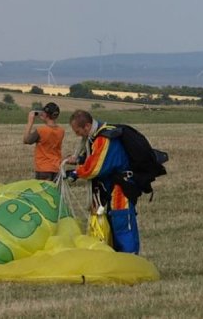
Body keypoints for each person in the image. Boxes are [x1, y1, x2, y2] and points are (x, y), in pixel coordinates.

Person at [67, 109, 140, 254]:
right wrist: (80, 160)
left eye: (78, 131)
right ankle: (117, 256)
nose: (77, 135)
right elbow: (95, 157)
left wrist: (76, 173)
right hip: (111, 187)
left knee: (122, 221)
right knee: (113, 221)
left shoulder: (103, 138)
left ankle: (129, 258)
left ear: (87, 126)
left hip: (121, 188)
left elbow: (95, 167)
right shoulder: (96, 136)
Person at [22, 102, 65, 181]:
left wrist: (30, 121)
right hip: (56, 168)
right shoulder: (61, 131)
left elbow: (26, 140)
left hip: (43, 168)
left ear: (45, 114)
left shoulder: (41, 130)